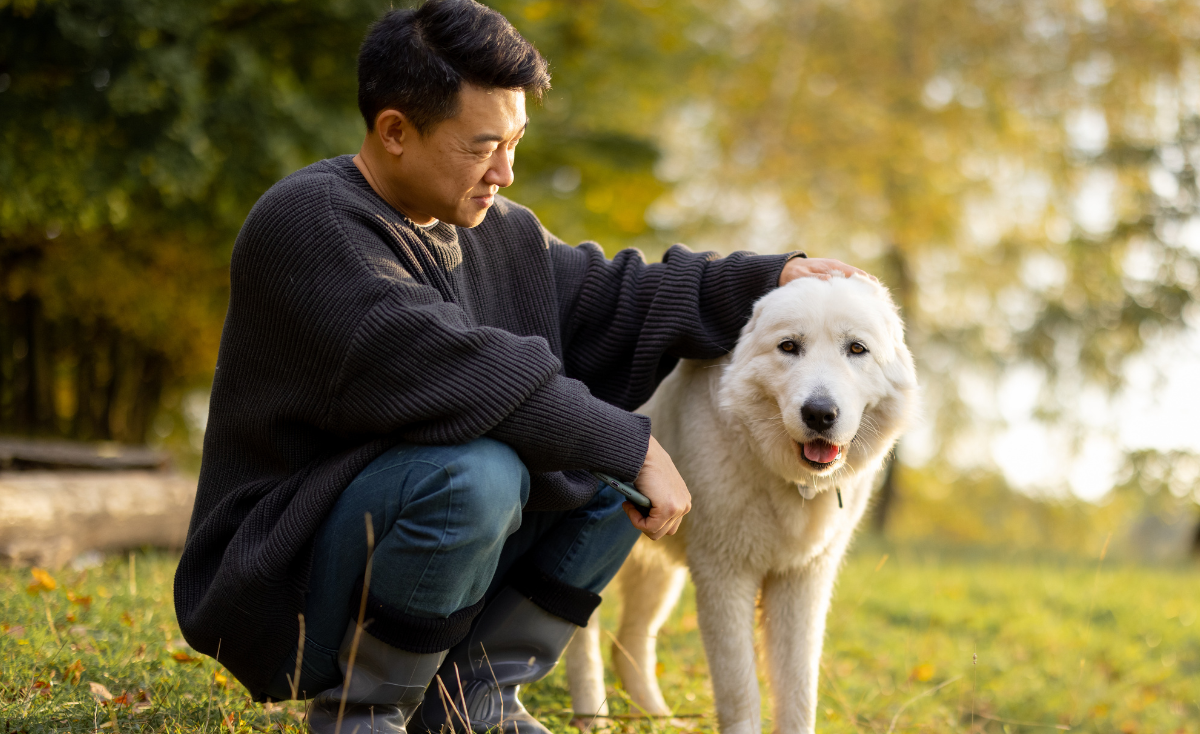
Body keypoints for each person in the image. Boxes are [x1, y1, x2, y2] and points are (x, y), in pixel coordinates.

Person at [173, 1, 867, 732]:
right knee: (480, 474)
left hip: (386, 539)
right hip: (283, 570)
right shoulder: (307, 225)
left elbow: (614, 297)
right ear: (395, 132)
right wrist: (632, 444)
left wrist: (769, 278)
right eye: (483, 147)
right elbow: (452, 363)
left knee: (600, 475)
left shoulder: (496, 231)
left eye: (516, 142)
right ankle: (363, 709)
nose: (506, 171)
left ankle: (472, 702)